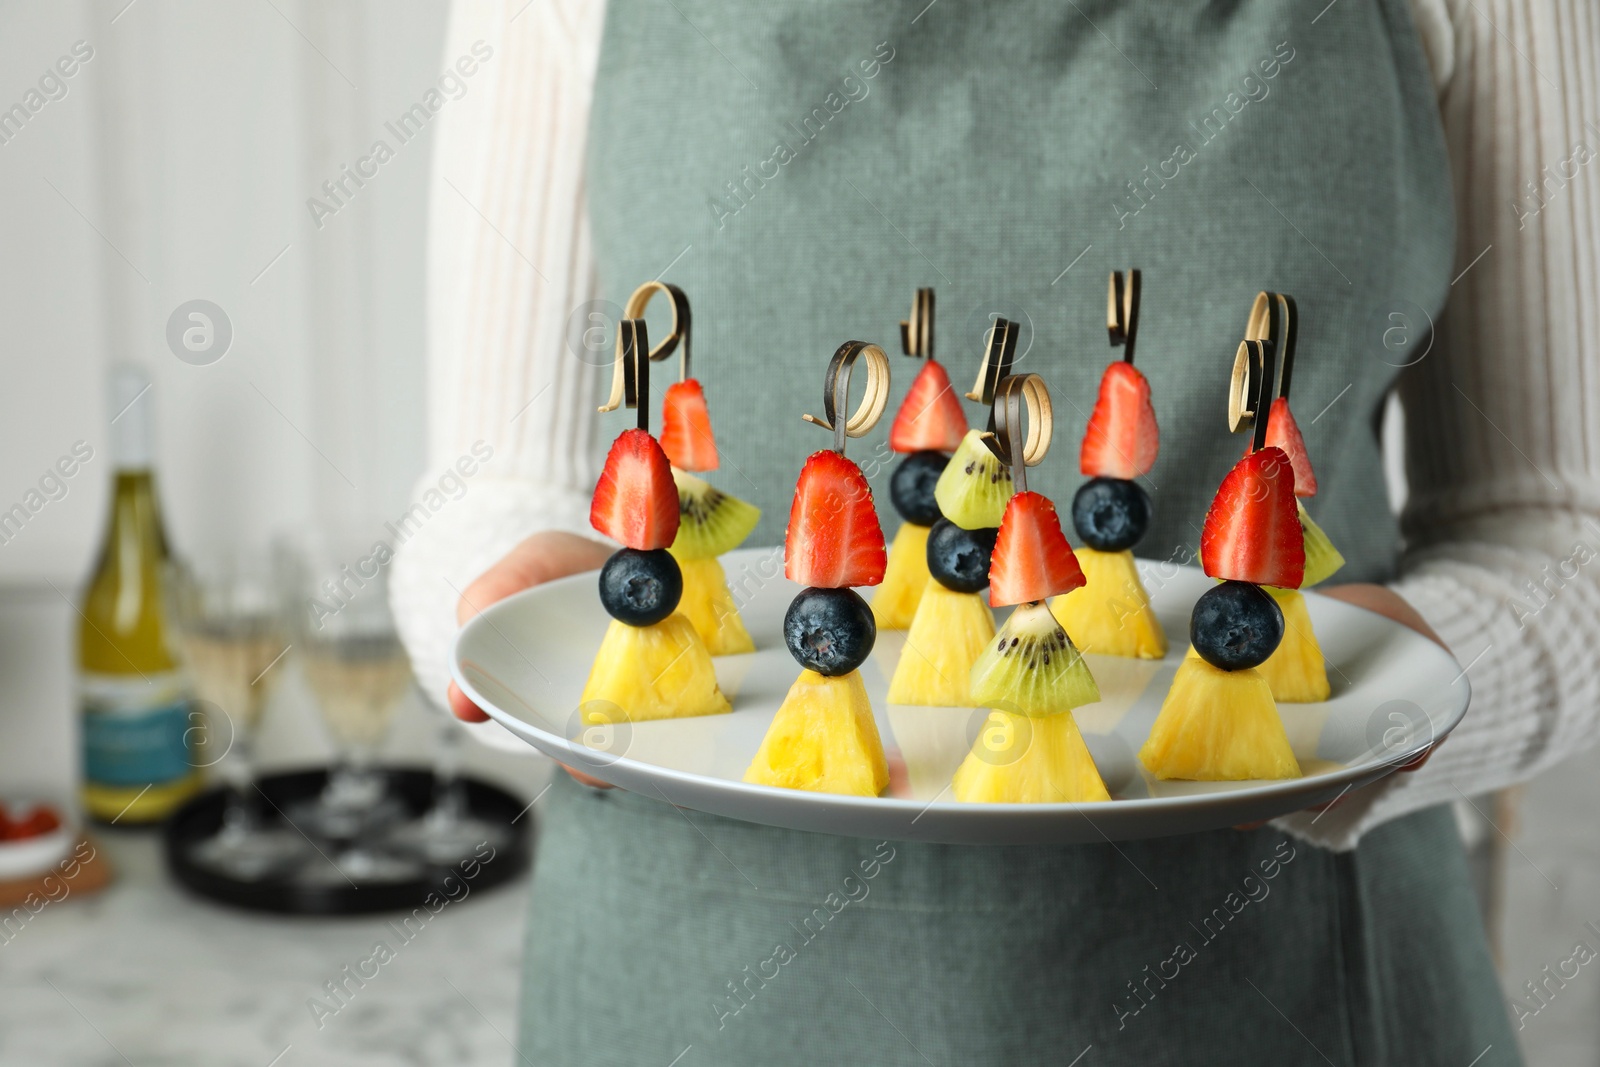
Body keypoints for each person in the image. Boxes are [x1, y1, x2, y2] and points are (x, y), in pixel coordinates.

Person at [393, 0, 1599, 1062]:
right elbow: (490, 495)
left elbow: (1559, 530)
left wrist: (1384, 686)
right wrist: (500, 614)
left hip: (1289, 979)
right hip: (687, 985)